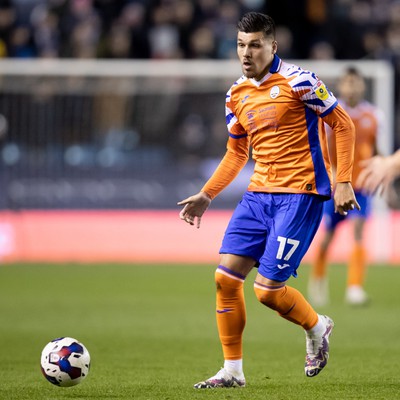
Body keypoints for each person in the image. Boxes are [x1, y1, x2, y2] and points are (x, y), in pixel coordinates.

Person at [178, 12, 359, 388]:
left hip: (300, 194)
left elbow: (343, 123)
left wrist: (343, 181)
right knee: (225, 279)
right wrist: (207, 193)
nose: (246, 53)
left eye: (255, 44)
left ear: (272, 46)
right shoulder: (236, 94)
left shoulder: (301, 81)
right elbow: (236, 154)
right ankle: (232, 371)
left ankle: (317, 326)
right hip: (258, 195)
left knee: (266, 291)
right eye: (241, 45)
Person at [308, 67, 382, 307]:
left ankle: (355, 288)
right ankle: (317, 280)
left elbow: (374, 149)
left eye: (356, 82)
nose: (352, 87)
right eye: (348, 82)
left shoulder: (373, 115)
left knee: (359, 232)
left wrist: (383, 174)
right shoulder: (330, 114)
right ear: (341, 86)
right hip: (335, 186)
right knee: (328, 236)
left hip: (361, 186)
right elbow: (320, 149)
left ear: (362, 85)